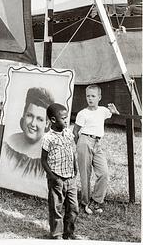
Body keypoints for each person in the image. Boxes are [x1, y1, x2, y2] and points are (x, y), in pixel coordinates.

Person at [73, 84, 120, 215]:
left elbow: (114, 114)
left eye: (93, 96)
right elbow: (75, 131)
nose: (90, 98)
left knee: (104, 173)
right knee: (85, 174)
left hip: (98, 143)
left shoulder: (103, 110)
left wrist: (115, 110)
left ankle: (96, 200)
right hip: (84, 141)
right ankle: (86, 203)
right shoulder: (83, 113)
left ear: (99, 97)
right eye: (88, 96)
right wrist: (80, 145)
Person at [41, 103, 80, 240]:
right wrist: (53, 177)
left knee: (74, 207)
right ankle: (56, 234)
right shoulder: (48, 138)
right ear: (53, 120)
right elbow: (43, 160)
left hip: (70, 178)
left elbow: (72, 152)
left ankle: (69, 233)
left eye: (66, 118)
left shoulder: (68, 133)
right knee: (56, 208)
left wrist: (75, 170)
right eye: (63, 118)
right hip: (56, 179)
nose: (66, 121)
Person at [4, 87, 54, 178]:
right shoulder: (8, 145)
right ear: (24, 115)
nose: (33, 124)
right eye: (30, 115)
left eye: (40, 119)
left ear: (47, 124)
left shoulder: (51, 157)